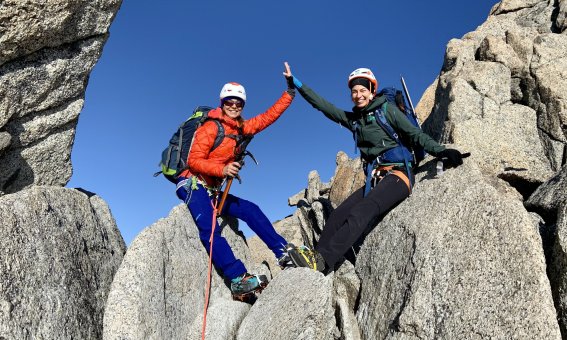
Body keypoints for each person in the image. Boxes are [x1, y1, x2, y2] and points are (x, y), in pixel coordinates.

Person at [285, 64, 465, 273]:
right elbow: (323, 106)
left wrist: (441, 151)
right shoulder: (355, 121)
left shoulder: (386, 110)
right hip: (375, 179)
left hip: (399, 175)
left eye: (363, 90)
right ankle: (316, 261)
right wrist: (296, 83)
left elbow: (415, 135)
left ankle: (324, 260)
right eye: (354, 91)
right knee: (337, 215)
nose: (358, 95)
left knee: (363, 210)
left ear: (371, 91)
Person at [175, 63, 302, 299]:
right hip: (192, 184)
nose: (234, 106)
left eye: (238, 103)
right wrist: (222, 169)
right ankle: (237, 279)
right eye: (229, 102)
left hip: (213, 190)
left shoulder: (242, 127)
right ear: (222, 103)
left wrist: (290, 92)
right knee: (210, 229)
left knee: (251, 210)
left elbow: (268, 117)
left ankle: (284, 252)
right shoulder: (212, 126)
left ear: (242, 105)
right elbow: (193, 161)